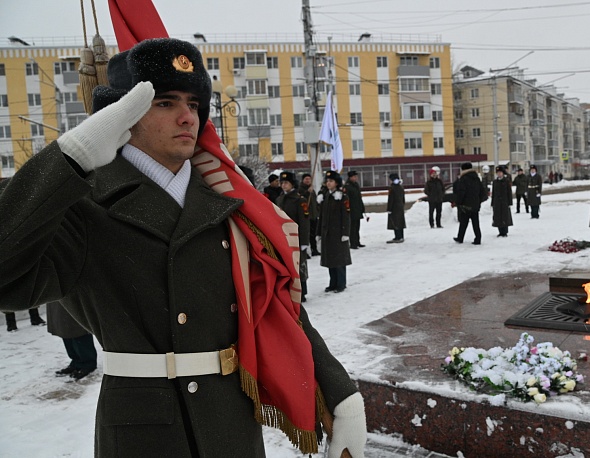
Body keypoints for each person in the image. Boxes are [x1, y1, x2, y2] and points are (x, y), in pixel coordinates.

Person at [0, 38, 365, 458]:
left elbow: (274, 307)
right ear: (121, 115)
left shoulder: (229, 201)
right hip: (145, 430)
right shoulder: (85, 204)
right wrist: (71, 158)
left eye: (193, 104)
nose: (187, 116)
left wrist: (339, 391)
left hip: (231, 425)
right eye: (165, 102)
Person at [276, 171, 310, 302]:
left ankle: (302, 292)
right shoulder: (279, 199)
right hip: (283, 238)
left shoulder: (299, 200)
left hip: (296, 238)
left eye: (286, 183)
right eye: (282, 183)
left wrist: (304, 241)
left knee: (299, 265)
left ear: (292, 184)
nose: (283, 185)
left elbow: (304, 221)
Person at [317, 171, 352, 293]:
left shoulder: (342, 197)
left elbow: (346, 216)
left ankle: (341, 283)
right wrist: (318, 233)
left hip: (338, 233)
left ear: (336, 183)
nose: (328, 183)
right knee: (330, 259)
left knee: (339, 259)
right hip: (327, 233)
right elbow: (321, 217)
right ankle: (333, 283)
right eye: (327, 181)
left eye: (331, 181)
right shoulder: (326, 196)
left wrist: (345, 233)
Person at [47, 301, 97, 380]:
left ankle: (88, 363)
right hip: (58, 298)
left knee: (79, 328)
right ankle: (76, 362)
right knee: (64, 328)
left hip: (72, 297)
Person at [453, 162, 488, 245]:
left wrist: (458, 202)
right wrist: (478, 201)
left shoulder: (463, 179)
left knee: (463, 222)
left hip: (466, 205)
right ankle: (478, 238)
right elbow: (482, 192)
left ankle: (460, 238)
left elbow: (462, 192)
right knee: (476, 222)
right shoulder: (476, 178)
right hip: (475, 205)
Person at [298, 173, 321, 256]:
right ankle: (305, 252)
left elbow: (314, 202)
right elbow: (301, 199)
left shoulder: (312, 190)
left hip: (313, 215)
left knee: (313, 234)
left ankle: (314, 249)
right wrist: (307, 192)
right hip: (306, 216)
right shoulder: (300, 189)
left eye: (309, 179)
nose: (308, 181)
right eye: (306, 179)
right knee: (306, 235)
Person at [345, 170, 366, 248]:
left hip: (357, 209)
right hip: (352, 210)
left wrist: (362, 207)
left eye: (356, 176)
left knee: (357, 227)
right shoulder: (347, 186)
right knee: (352, 228)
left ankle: (357, 241)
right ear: (350, 177)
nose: (355, 178)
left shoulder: (356, 185)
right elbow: (346, 200)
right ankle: (353, 243)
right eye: (354, 177)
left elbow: (359, 198)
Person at [491, 165, 513, 237]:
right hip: (497, 202)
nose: (499, 174)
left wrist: (510, 202)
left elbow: (509, 192)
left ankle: (505, 231)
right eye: (498, 172)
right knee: (498, 216)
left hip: (504, 201)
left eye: (500, 172)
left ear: (503, 173)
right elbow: (493, 193)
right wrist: (492, 203)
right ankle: (500, 231)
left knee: (504, 216)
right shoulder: (495, 182)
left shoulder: (506, 181)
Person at [386, 173, 406, 243]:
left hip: (394, 208)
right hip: (400, 207)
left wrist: (389, 209)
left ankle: (398, 237)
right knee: (400, 222)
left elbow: (391, 199)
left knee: (395, 222)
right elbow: (403, 199)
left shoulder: (392, 188)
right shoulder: (400, 187)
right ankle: (401, 236)